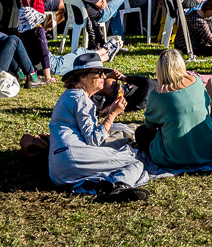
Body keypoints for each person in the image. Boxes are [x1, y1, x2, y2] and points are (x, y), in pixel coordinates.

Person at [48, 52, 149, 202]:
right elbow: (94, 140)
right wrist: (112, 114)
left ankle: (99, 185)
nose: (104, 77)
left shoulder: (68, 95)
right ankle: (121, 186)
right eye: (99, 73)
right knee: (134, 162)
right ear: (83, 77)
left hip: (58, 171)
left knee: (117, 154)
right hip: (73, 158)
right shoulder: (81, 99)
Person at [137, 49, 212, 172]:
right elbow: (207, 109)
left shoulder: (157, 94)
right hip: (208, 153)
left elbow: (149, 126)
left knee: (141, 133)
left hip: (173, 159)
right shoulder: (197, 81)